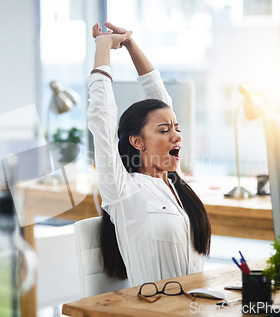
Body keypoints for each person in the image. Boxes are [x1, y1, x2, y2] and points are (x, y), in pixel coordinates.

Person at [88, 21, 211, 286]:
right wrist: (103, 47)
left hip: (195, 308)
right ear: (137, 142)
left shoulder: (175, 186)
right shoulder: (123, 189)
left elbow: (160, 97)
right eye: (164, 130)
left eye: (176, 128)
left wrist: (131, 43)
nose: (177, 135)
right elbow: (101, 117)